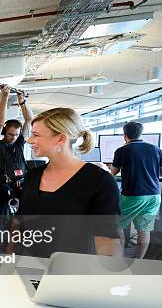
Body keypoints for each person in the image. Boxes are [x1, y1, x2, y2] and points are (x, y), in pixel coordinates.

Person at [17, 107, 121, 257]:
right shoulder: (33, 176)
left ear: (61, 138)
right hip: (31, 265)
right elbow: (21, 222)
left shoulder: (98, 180)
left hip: (71, 269)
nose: (29, 140)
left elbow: (107, 239)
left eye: (36, 135)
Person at [110, 121, 162, 258]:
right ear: (140, 133)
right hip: (154, 196)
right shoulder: (156, 149)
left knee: (117, 225)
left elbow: (113, 172)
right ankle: (139, 260)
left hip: (133, 195)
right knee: (144, 230)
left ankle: (119, 257)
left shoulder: (122, 150)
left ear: (125, 136)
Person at [0, 86, 33, 215]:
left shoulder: (19, 143)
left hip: (19, 188)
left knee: (19, 222)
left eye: (16, 135)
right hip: (0, 189)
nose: (14, 137)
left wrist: (22, 101)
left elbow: (29, 120)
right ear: (5, 132)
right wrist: (4, 97)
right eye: (10, 134)